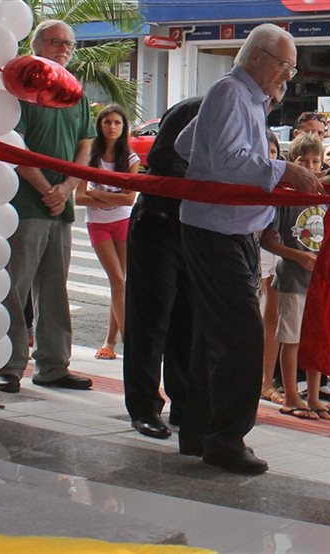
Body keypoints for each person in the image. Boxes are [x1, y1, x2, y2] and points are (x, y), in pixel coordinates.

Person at [174, 23, 324, 475]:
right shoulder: (231, 93)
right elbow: (226, 161)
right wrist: (284, 170)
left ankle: (199, 430)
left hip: (229, 232)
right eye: (286, 67)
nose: (287, 78)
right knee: (243, 338)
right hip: (217, 232)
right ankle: (225, 439)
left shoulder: (243, 99)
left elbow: (188, 145)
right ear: (259, 58)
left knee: (212, 337)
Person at [0, 20, 95, 394]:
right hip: (24, 202)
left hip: (60, 205)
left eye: (69, 44)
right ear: (36, 43)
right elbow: (12, 143)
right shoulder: (19, 85)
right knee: (15, 285)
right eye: (55, 42)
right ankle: (9, 363)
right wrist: (45, 188)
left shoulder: (75, 93)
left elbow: (86, 141)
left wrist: (68, 186)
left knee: (55, 287)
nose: (64, 49)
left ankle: (54, 365)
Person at [122, 96, 201, 440]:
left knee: (188, 321)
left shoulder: (244, 116)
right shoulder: (196, 109)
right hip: (159, 220)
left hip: (195, 228)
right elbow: (161, 157)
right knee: (151, 319)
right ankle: (143, 407)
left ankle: (184, 404)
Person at [260, 134, 330, 421]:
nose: (311, 167)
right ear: (292, 164)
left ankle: (314, 396)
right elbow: (268, 240)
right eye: (303, 161)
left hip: (320, 283)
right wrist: (298, 257)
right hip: (292, 279)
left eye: (316, 161)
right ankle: (292, 396)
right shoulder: (286, 197)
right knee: (291, 339)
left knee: (314, 339)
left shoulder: (328, 197)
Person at [75, 105, 139, 361]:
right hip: (98, 224)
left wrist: (97, 194)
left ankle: (110, 341)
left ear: (124, 128)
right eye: (107, 122)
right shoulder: (91, 154)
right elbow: (79, 197)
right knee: (118, 280)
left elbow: (129, 199)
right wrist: (111, 197)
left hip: (122, 222)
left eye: (117, 123)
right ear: (99, 126)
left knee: (122, 282)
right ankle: (129, 341)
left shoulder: (131, 159)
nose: (112, 127)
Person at [259, 129, 285, 405]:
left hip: (275, 250)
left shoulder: (284, 186)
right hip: (248, 247)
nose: (269, 157)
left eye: (274, 152)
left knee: (272, 315)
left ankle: (266, 381)